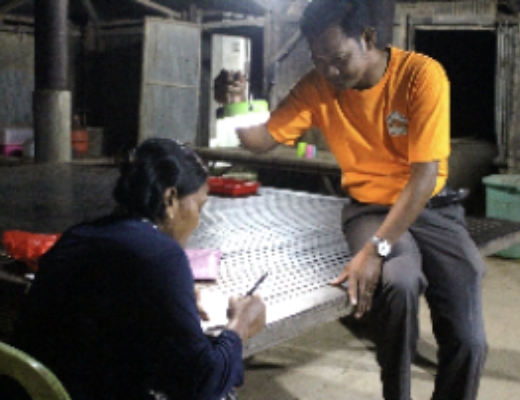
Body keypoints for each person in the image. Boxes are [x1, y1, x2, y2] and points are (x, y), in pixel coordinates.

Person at [220, 0, 488, 399]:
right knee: (399, 284)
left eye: (338, 59)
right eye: (318, 60)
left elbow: (424, 176)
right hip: (370, 209)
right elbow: (260, 141)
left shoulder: (420, 75)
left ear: (367, 38)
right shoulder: (317, 87)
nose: (329, 71)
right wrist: (233, 103)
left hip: (431, 206)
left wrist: (376, 249)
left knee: (469, 341)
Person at [12, 138, 266, 400]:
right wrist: (241, 324)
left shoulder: (79, 235)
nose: (198, 221)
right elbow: (203, 384)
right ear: (170, 199)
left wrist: (174, 298)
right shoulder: (162, 255)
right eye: (199, 207)